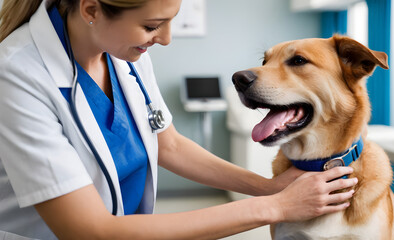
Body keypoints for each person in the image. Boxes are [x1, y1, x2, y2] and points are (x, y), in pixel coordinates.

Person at [0, 0, 358, 239]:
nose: (166, 39)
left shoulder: (125, 55)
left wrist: (267, 187)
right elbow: (89, 231)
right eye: (152, 25)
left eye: (171, 20)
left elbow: (167, 144)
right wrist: (275, 206)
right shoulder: (17, 73)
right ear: (91, 8)